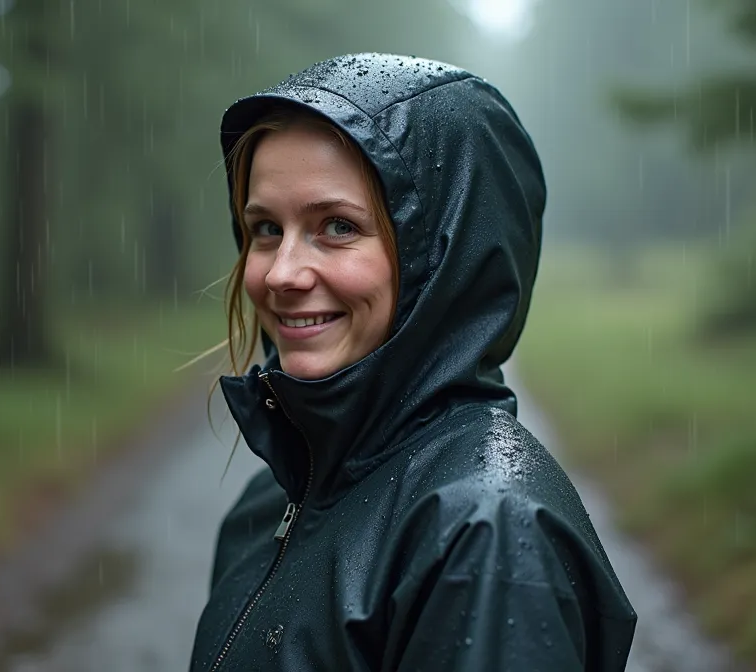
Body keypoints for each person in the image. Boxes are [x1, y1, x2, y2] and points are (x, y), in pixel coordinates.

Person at [190, 53, 637, 671]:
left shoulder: (487, 536)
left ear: (447, 261)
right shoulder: (273, 497)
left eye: (337, 227)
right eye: (266, 228)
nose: (281, 273)